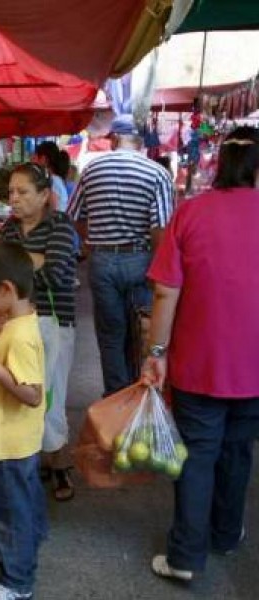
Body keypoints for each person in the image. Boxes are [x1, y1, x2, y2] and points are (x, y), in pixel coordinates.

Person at [141, 126, 259, 582]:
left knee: (196, 456)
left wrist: (156, 351)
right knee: (237, 452)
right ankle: (226, 535)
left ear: (220, 165)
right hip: (254, 370)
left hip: (198, 365)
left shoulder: (191, 214)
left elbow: (166, 293)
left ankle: (186, 557)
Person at [67, 116, 174, 396]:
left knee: (111, 335)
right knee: (142, 331)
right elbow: (160, 228)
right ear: (140, 142)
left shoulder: (92, 168)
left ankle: (116, 397)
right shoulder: (157, 173)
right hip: (140, 261)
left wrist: (92, 241)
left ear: (114, 139)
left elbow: (74, 216)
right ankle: (142, 392)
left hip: (102, 262)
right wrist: (157, 266)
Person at [0, 242, 47, 600]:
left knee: (10, 512)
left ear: (6, 289)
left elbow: (33, 394)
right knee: (24, 504)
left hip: (9, 443)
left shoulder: (19, 337)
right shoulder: (20, 322)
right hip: (19, 441)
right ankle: (21, 548)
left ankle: (16, 582)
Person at [0, 163, 77, 501]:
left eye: (23, 192)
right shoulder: (8, 230)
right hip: (18, 325)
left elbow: (57, 274)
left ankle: (60, 465)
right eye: (11, 192)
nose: (14, 199)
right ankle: (33, 463)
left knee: (52, 396)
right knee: (25, 395)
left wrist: (20, 264)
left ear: (44, 195)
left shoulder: (60, 225)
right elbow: (2, 273)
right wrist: (35, 260)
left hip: (54, 322)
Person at [33, 141, 68, 212]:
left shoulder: (53, 181)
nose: (33, 161)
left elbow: (52, 210)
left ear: (43, 159)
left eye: (35, 158)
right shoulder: (55, 179)